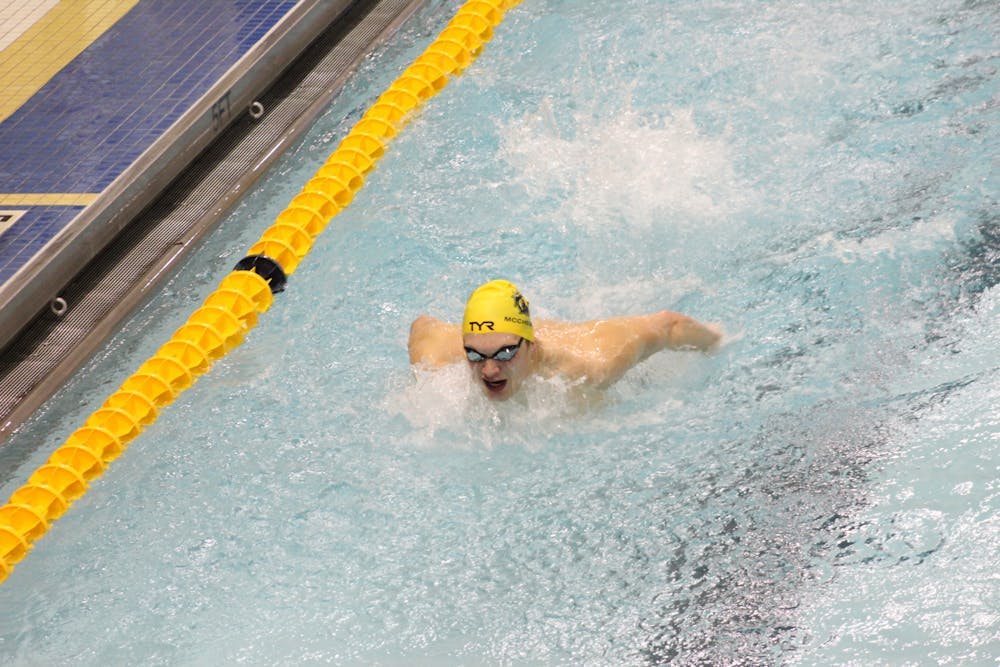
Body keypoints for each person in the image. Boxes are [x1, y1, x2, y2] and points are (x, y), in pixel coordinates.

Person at [408, 279, 722, 401]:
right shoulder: (437, 355)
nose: (489, 370)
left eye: (504, 354)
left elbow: (668, 326)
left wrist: (717, 342)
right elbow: (422, 326)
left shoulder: (592, 363)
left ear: (530, 345)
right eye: (476, 356)